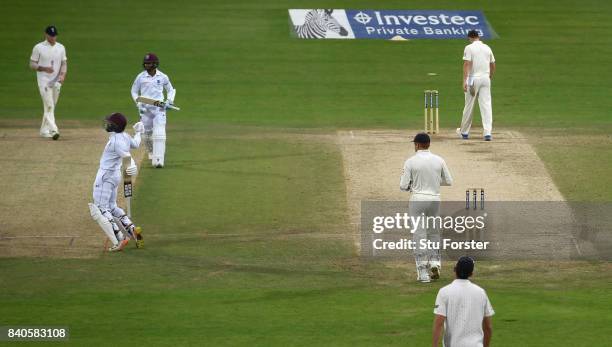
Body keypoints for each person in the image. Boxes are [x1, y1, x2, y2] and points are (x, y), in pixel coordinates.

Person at [400, 133, 453, 282]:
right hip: (434, 199)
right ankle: (435, 262)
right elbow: (449, 181)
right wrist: (434, 183)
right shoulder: (439, 160)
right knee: (433, 233)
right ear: (429, 144)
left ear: (417, 145)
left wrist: (414, 184)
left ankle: (423, 274)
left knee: (419, 235)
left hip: (417, 199)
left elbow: (403, 186)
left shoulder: (410, 162)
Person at [88, 113, 144, 252]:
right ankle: (134, 232)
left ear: (114, 126)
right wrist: (138, 132)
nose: (106, 124)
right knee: (112, 207)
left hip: (105, 176)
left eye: (109, 123)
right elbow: (136, 144)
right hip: (115, 175)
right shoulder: (124, 136)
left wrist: (131, 165)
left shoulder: (115, 142)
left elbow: (126, 156)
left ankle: (119, 239)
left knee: (100, 209)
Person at [432, 257, 494, 347]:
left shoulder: (444, 292)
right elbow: (488, 327)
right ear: (471, 273)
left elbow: (439, 323)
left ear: (455, 270)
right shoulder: (481, 292)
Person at [130, 53, 176, 168]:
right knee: (147, 133)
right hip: (145, 108)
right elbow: (134, 91)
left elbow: (170, 89)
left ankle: (159, 159)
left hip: (159, 108)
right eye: (145, 63)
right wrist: (138, 103)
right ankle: (151, 152)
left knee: (160, 132)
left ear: (155, 64)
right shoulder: (140, 77)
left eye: (149, 63)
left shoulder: (163, 76)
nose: (147, 65)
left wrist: (169, 100)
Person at [29, 25, 68, 140]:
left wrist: (62, 75)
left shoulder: (61, 47)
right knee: (50, 105)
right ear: (46, 35)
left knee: (50, 106)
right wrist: (44, 68)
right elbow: (32, 64)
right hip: (44, 81)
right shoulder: (38, 47)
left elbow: (64, 63)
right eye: (51, 36)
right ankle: (54, 130)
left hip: (56, 82)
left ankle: (43, 130)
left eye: (55, 35)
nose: (53, 38)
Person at [457, 29, 496, 141]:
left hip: (472, 79)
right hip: (485, 78)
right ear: (478, 37)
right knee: (486, 106)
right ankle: (487, 133)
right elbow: (493, 65)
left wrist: (464, 81)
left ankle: (464, 132)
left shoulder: (469, 48)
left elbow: (466, 64)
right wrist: (489, 77)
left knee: (469, 105)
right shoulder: (487, 47)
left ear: (470, 37)